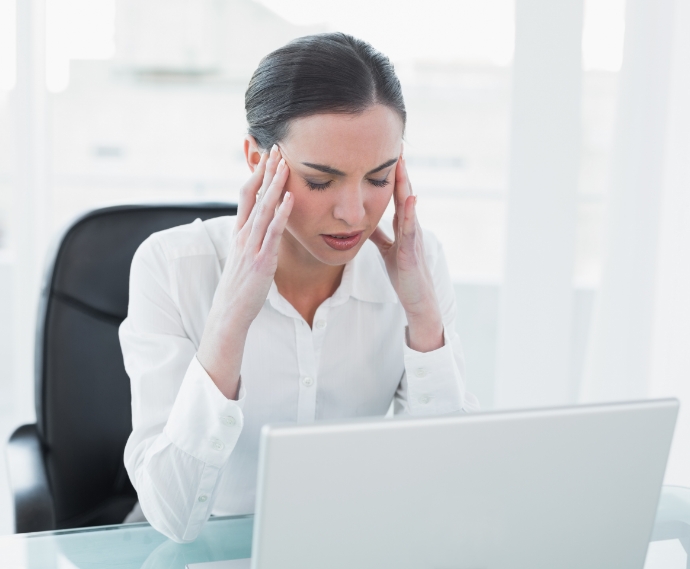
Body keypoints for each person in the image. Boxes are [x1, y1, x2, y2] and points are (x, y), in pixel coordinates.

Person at [120, 32, 479, 543]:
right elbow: (175, 517)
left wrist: (423, 320)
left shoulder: (416, 263)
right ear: (256, 159)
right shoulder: (172, 267)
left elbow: (454, 485)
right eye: (319, 180)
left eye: (379, 179)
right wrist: (230, 317)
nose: (353, 213)